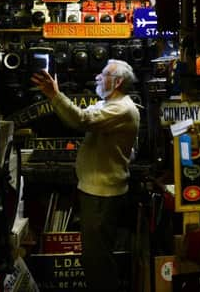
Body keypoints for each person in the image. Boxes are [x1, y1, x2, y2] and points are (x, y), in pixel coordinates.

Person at [31, 59, 140, 292]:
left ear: (118, 81)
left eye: (104, 74)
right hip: (95, 189)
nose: (98, 78)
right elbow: (82, 115)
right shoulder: (108, 104)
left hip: (102, 193)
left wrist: (55, 95)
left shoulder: (121, 108)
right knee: (94, 256)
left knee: (97, 260)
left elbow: (81, 120)